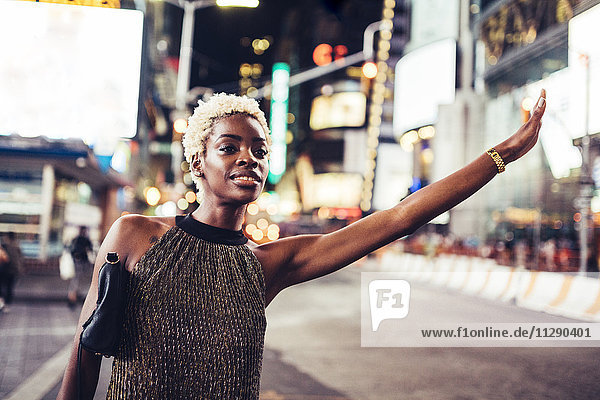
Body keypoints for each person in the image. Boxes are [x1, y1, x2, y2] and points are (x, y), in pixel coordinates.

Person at [57, 90, 546, 399]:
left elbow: (399, 217)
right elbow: (86, 352)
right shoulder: (136, 234)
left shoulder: (268, 265)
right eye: (229, 147)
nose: (248, 158)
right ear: (197, 162)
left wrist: (501, 155)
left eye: (259, 150)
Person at [68, 226, 93, 307]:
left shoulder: (78, 239)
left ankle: (74, 295)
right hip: (79, 261)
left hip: (80, 261)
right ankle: (74, 295)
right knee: (78, 278)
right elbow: (90, 249)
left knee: (79, 278)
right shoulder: (80, 240)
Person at [0, 232, 22, 312]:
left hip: (4, 270)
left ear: (7, 237)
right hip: (14, 271)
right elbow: (20, 259)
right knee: (9, 288)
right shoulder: (17, 247)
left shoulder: (4, 247)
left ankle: (2, 302)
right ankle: (7, 304)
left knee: (3, 287)